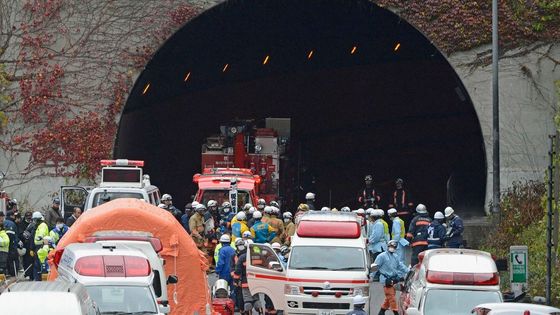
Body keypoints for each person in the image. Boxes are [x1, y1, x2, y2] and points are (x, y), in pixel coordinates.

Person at [373, 240, 409, 315]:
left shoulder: (395, 256)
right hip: (386, 280)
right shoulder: (381, 256)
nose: (392, 248)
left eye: (394, 247)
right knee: (391, 297)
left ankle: (381, 312)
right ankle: (396, 312)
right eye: (391, 246)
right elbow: (375, 267)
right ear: (388, 246)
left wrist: (408, 271)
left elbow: (400, 266)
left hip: (394, 279)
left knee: (389, 297)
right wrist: (370, 276)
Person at [232, 238, 262, 314]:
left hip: (245, 282)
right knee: (256, 298)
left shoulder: (242, 257)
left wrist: (235, 281)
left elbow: (237, 271)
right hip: (255, 282)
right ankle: (260, 310)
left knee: (247, 299)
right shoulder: (256, 256)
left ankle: (248, 312)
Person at [32, 211, 49, 281]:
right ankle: (38, 278)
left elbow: (42, 233)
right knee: (38, 264)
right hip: (39, 246)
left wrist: (40, 237)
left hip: (42, 246)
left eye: (35, 220)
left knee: (41, 264)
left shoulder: (42, 225)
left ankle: (40, 279)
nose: (34, 221)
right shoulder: (39, 226)